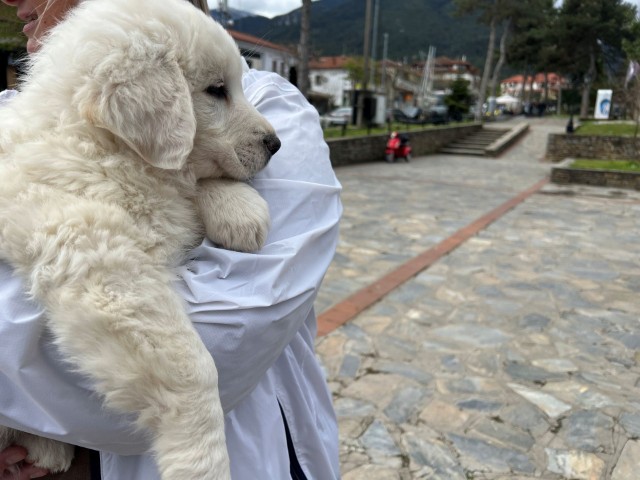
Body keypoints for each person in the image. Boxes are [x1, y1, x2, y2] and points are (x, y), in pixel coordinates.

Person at [0, 0, 342, 479]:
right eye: (218, 92)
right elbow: (100, 284)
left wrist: (211, 189)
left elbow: (225, 339)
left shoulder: (276, 105)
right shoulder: (29, 134)